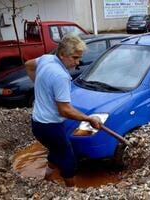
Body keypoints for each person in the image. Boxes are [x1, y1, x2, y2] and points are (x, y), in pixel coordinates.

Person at [25, 34, 101, 186]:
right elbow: (64, 110)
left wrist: (40, 85)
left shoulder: (46, 58)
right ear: (62, 54)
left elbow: (28, 64)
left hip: (37, 123)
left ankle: (46, 178)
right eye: (74, 57)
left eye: (79, 57)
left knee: (56, 150)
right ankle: (71, 192)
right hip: (50, 126)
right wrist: (90, 119)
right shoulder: (61, 76)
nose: (78, 62)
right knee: (68, 159)